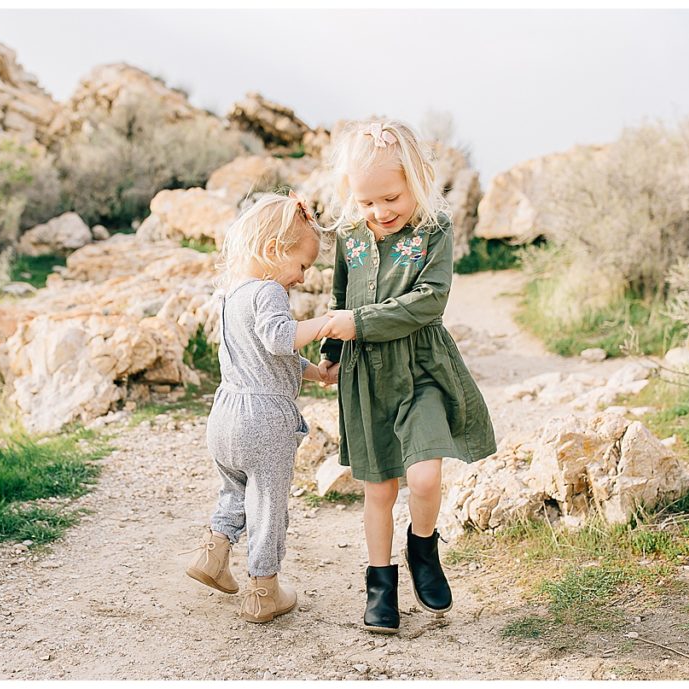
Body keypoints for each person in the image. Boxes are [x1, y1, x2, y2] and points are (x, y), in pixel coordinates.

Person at [318, 119, 497, 634]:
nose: (380, 212)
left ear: (416, 178)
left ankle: (423, 548)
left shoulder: (434, 230)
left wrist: (362, 323)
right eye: (368, 202)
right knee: (378, 490)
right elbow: (339, 298)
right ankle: (380, 585)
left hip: (421, 368)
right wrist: (333, 346)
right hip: (365, 376)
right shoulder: (350, 235)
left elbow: (430, 300)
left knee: (423, 476)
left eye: (391, 198)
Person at [185, 192, 333, 623]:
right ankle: (264, 590)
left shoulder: (231, 295)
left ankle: (214, 554)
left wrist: (317, 374)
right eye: (302, 265)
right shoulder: (269, 290)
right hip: (263, 421)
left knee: (235, 489)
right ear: (273, 251)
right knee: (268, 504)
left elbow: (267, 358)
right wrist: (325, 323)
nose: (303, 278)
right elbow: (279, 338)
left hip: (226, 414)